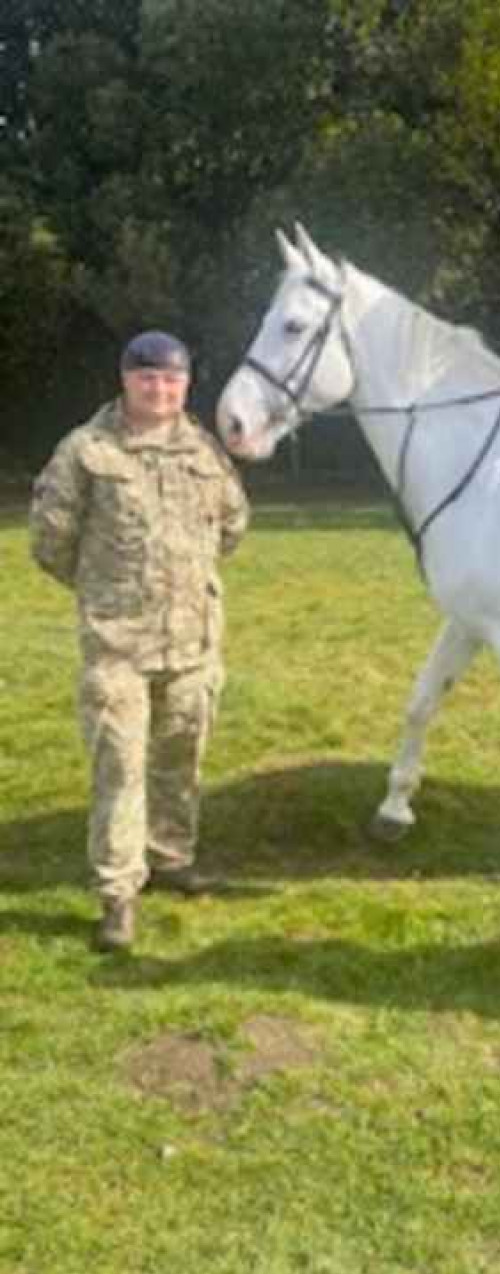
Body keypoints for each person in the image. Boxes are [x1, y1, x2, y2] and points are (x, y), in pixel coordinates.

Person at [30, 331, 250, 951]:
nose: (160, 389)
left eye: (172, 380)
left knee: (182, 754)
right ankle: (118, 893)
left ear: (185, 385)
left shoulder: (203, 448)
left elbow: (233, 522)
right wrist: (109, 590)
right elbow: (50, 541)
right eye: (148, 377)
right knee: (120, 768)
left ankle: (172, 857)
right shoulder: (86, 451)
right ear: (126, 379)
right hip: (117, 645)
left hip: (193, 643)